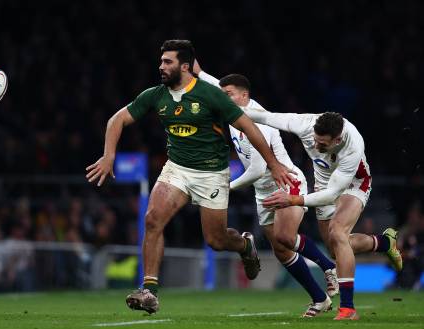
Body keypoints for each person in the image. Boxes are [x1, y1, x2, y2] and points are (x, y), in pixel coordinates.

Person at [86, 40, 294, 314]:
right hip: (177, 168)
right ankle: (149, 291)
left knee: (216, 241)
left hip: (211, 173)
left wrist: (274, 164)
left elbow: (248, 126)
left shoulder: (210, 95)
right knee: (152, 220)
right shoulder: (155, 95)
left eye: (167, 62)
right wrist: (108, 155)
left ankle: (245, 245)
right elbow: (117, 120)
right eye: (161, 61)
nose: (161, 66)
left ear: (185, 66)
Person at [195, 67, 337, 317]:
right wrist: (195, 69)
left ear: (244, 95)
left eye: (228, 95)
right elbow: (216, 83)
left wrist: (226, 187)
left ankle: (328, 266)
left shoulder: (256, 119)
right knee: (281, 251)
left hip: (286, 182)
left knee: (284, 236)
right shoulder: (233, 108)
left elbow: (259, 169)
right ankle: (319, 299)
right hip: (263, 193)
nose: (223, 99)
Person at [242, 106, 402, 320]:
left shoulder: (353, 145)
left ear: (337, 140)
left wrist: (292, 200)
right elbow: (266, 116)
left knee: (338, 234)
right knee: (335, 249)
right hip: (323, 184)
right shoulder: (306, 124)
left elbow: (333, 194)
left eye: (322, 144)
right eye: (315, 140)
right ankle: (384, 243)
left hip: (354, 184)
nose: (315, 146)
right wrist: (226, 109)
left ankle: (347, 308)